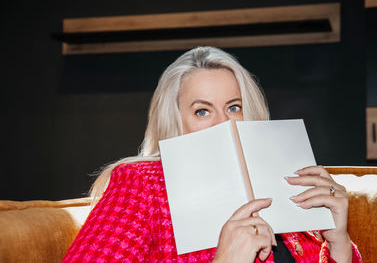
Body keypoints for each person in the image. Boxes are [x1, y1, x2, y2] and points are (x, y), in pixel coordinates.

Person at [63, 46, 362, 262]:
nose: (224, 123)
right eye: (202, 111)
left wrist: (339, 244)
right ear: (176, 121)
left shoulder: (288, 180)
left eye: (234, 107)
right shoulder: (143, 184)